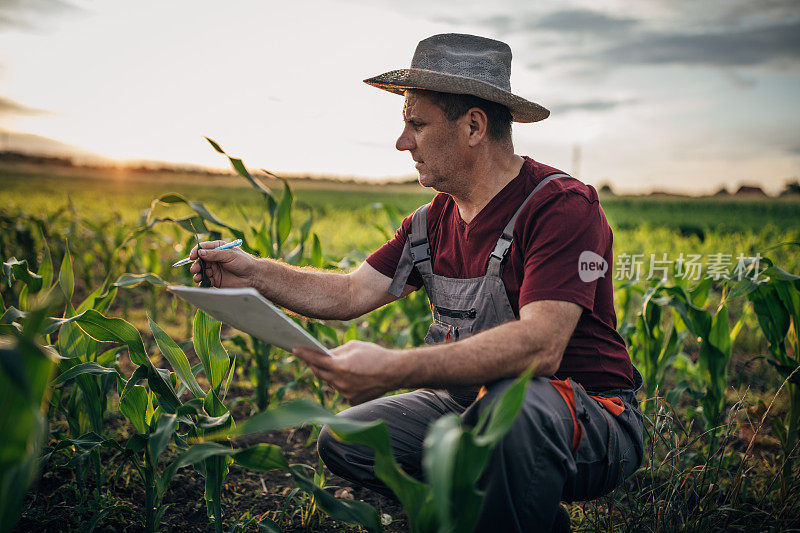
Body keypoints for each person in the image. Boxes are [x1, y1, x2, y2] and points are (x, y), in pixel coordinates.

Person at [190, 33, 644, 532]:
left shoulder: (560, 205)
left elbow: (542, 347)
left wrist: (394, 367)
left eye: (416, 124)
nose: (402, 142)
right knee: (351, 438)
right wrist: (253, 272)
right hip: (467, 404)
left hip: (587, 416)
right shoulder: (429, 224)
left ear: (473, 125)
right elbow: (349, 292)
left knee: (512, 410)